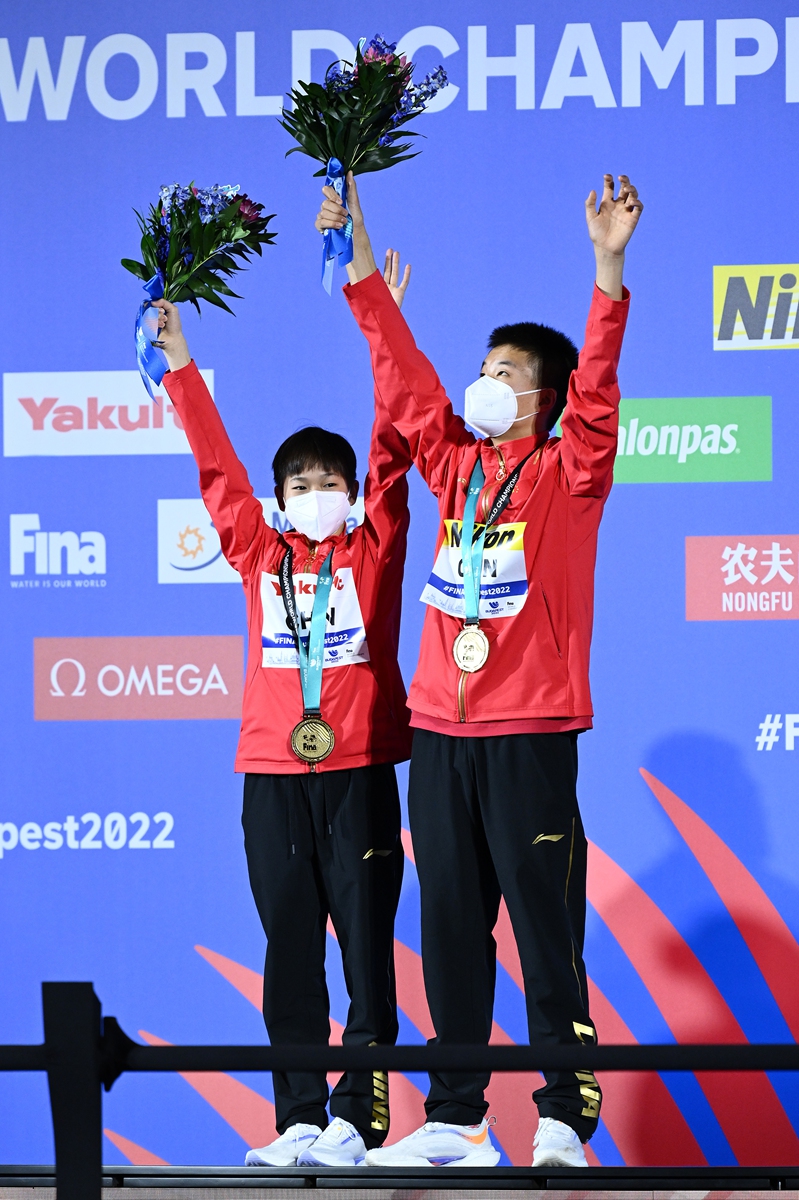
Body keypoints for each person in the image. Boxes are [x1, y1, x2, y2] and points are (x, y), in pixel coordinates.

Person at [317, 172, 643, 1168]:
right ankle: (457, 1116)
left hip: (529, 731)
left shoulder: (568, 472)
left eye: (505, 371)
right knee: (451, 926)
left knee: (544, 928)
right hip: (440, 733)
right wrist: (358, 252)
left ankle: (563, 1114)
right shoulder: (457, 468)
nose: (484, 380)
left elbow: (597, 388)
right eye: (483, 365)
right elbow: (403, 374)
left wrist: (606, 267)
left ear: (542, 397)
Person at [152, 248, 414, 1168]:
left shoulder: (373, 547)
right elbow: (216, 466)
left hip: (359, 769)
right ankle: (298, 1114)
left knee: (365, 947)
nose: (314, 496)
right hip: (271, 770)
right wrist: (179, 362)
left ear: (351, 495)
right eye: (297, 485)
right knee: (288, 944)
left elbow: (393, 443)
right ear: (278, 499)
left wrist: (384, 328)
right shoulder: (259, 553)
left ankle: (358, 1119)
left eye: (328, 483)